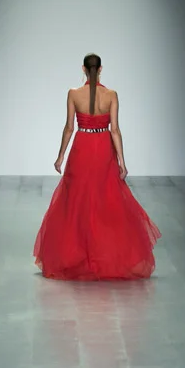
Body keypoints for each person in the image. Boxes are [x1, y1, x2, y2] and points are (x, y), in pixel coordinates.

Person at [33, 54, 161, 281]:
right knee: (105, 201)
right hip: (103, 148)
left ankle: (77, 257)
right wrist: (122, 161)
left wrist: (60, 156)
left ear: (83, 69)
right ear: (100, 69)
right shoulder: (111, 95)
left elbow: (69, 128)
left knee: (77, 203)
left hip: (82, 148)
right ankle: (105, 258)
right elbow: (115, 130)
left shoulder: (74, 94)